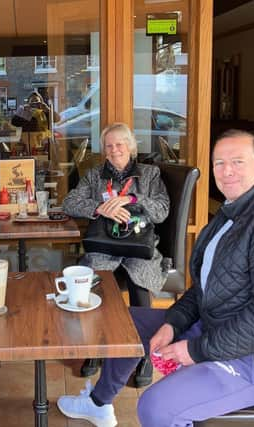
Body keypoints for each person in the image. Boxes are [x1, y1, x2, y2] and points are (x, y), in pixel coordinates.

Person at [57, 129, 254, 427]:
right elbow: (205, 287)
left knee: (156, 408)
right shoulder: (234, 212)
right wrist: (174, 323)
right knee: (126, 324)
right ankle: (98, 403)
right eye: (219, 163)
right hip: (216, 326)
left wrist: (195, 350)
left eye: (237, 161)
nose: (227, 171)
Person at [62, 122, 170, 384]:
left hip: (138, 247)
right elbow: (69, 203)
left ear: (131, 147)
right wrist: (101, 207)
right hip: (104, 248)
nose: (114, 150)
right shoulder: (94, 175)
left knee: (140, 285)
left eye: (120, 144)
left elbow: (162, 210)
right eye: (109, 145)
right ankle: (97, 349)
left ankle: (144, 355)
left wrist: (132, 200)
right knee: (94, 283)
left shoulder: (150, 173)